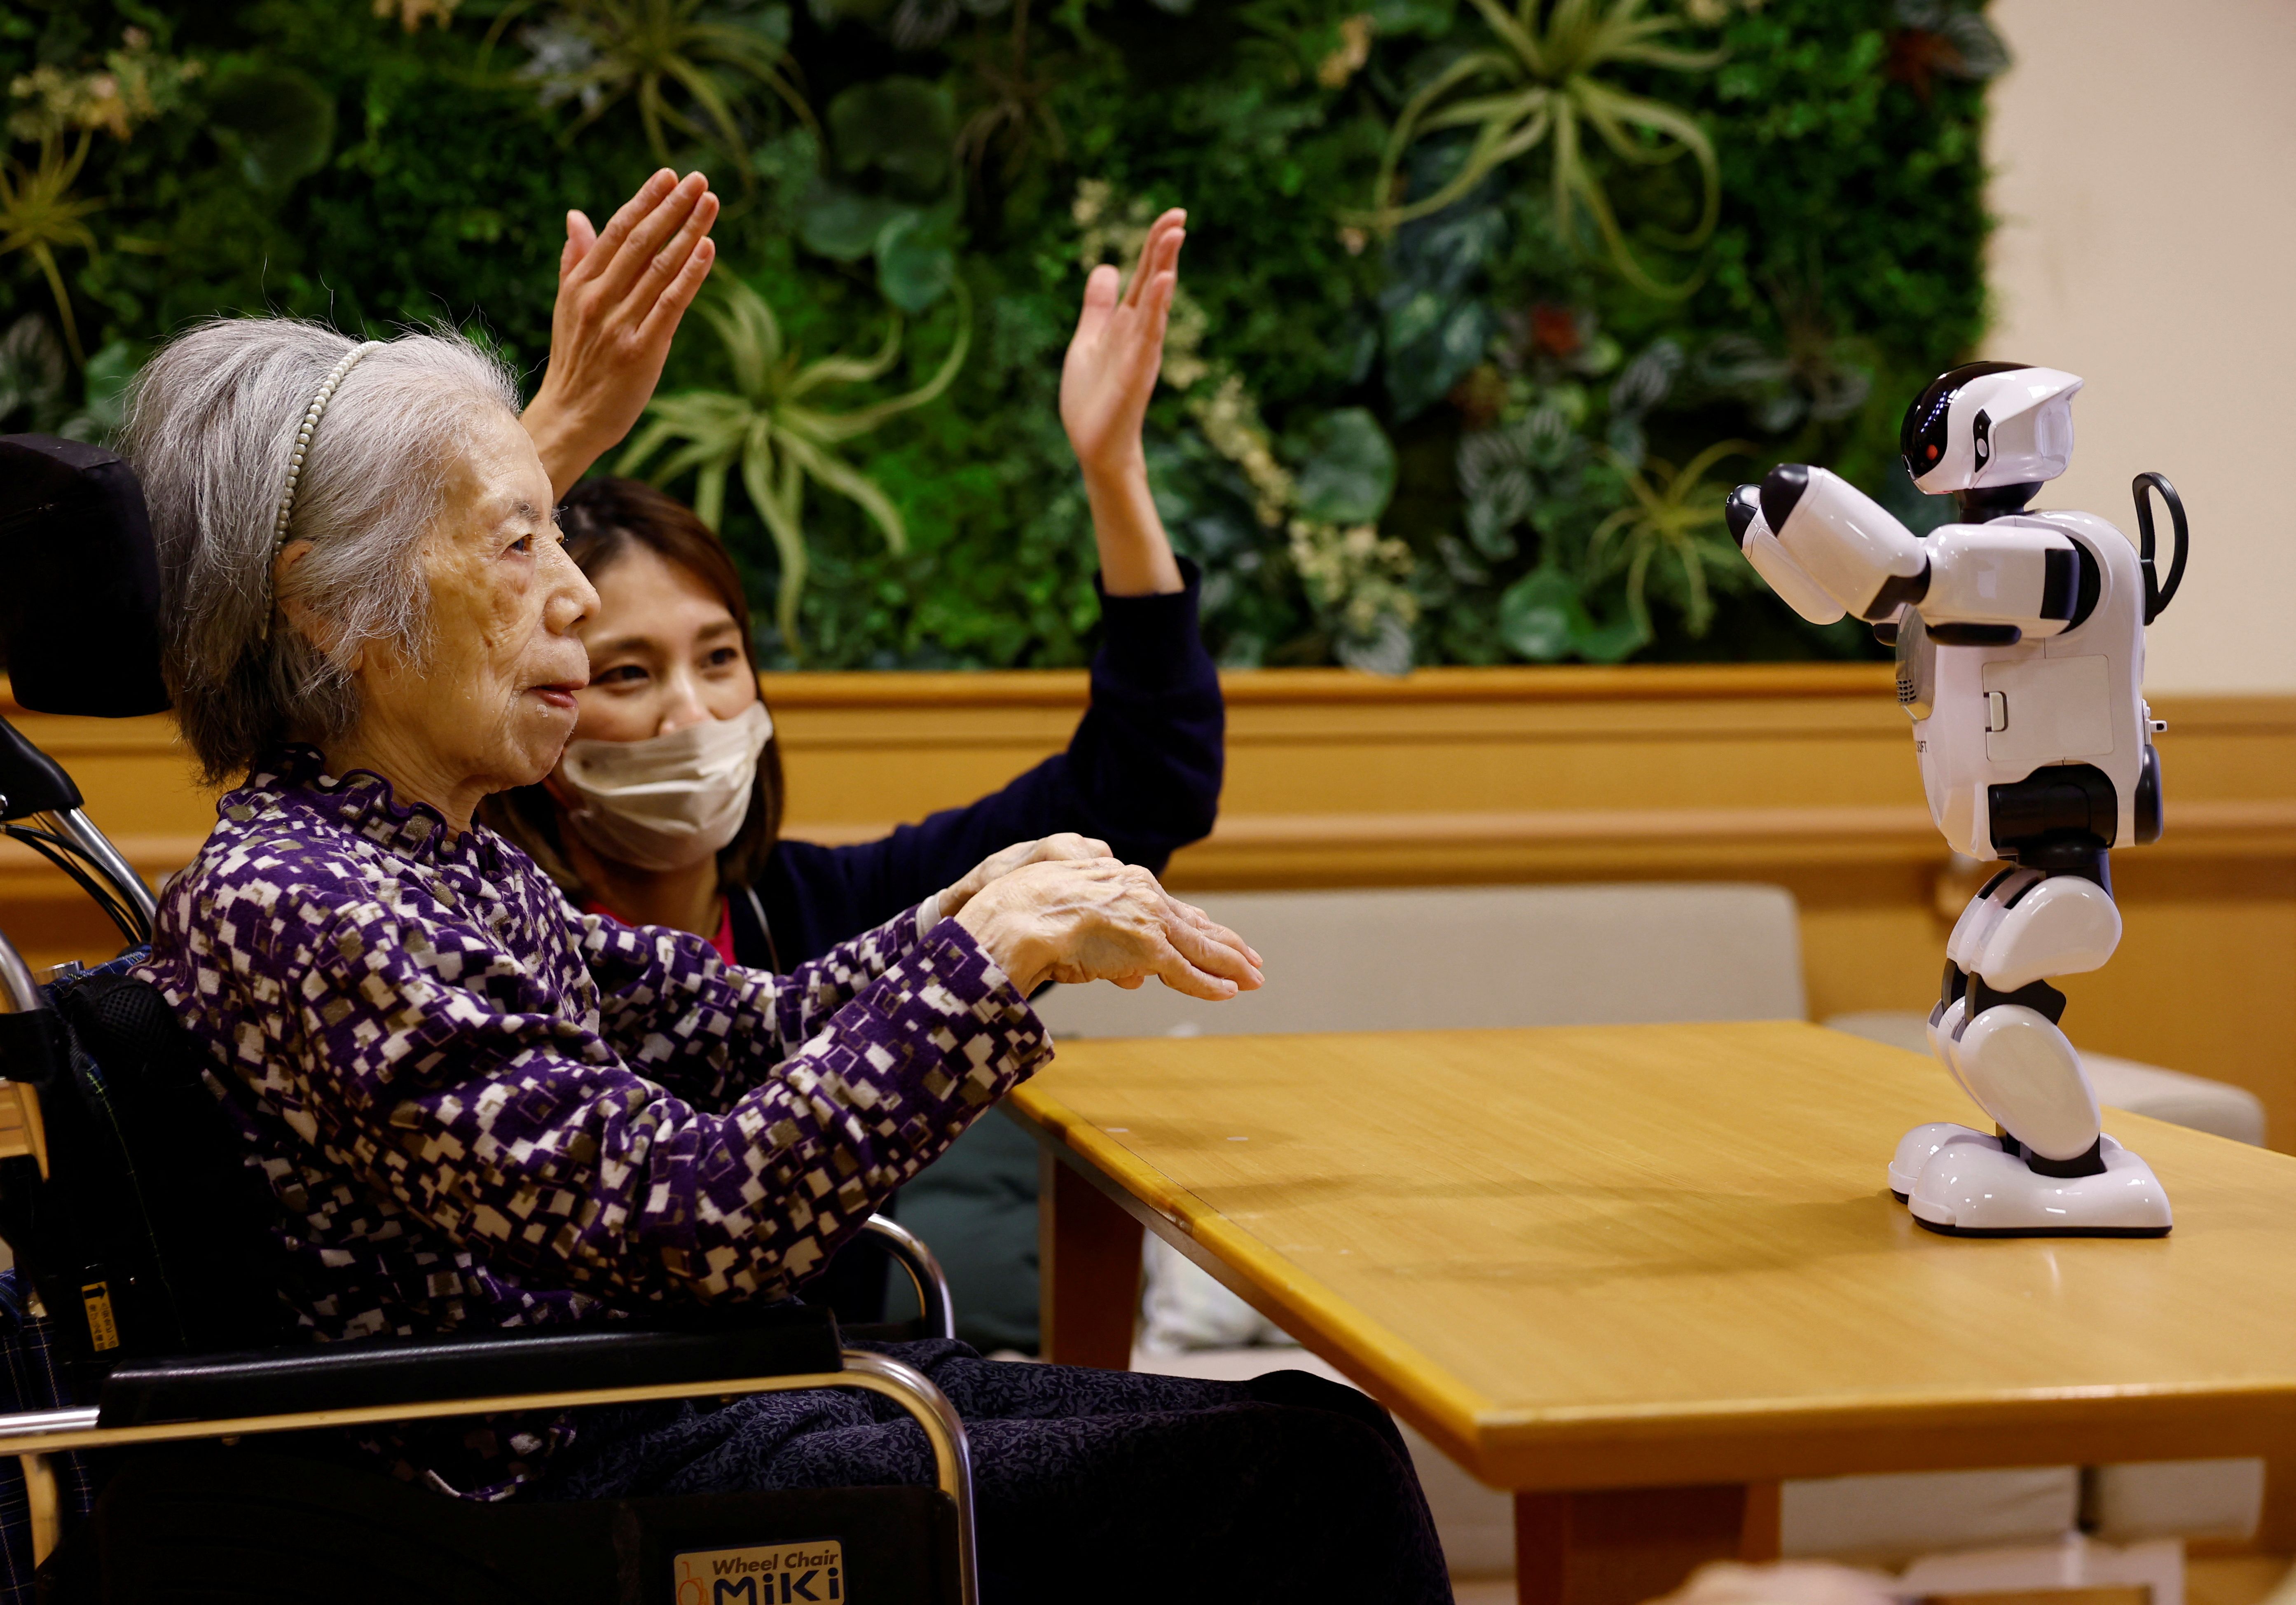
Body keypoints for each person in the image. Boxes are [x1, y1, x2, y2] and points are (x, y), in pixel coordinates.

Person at [117, 185, 1451, 1600]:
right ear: (328, 608)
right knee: (1309, 1479)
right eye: (524, 544)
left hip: (649, 1411)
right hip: (552, 1497)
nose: (572, 596)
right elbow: (700, 1223)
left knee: (1316, 1435)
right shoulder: (311, 904)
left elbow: (751, 1025)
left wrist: (979, 906)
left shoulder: (419, 853)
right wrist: (985, 962)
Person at [478, 206, 1218, 1340]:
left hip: (837, 1400)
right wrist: (553, 435)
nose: (694, 709)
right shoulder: (489, 928)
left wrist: (1115, 472)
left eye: (720, 659)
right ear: (547, 710)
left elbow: (1146, 785)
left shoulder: (820, 914)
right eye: (628, 672)